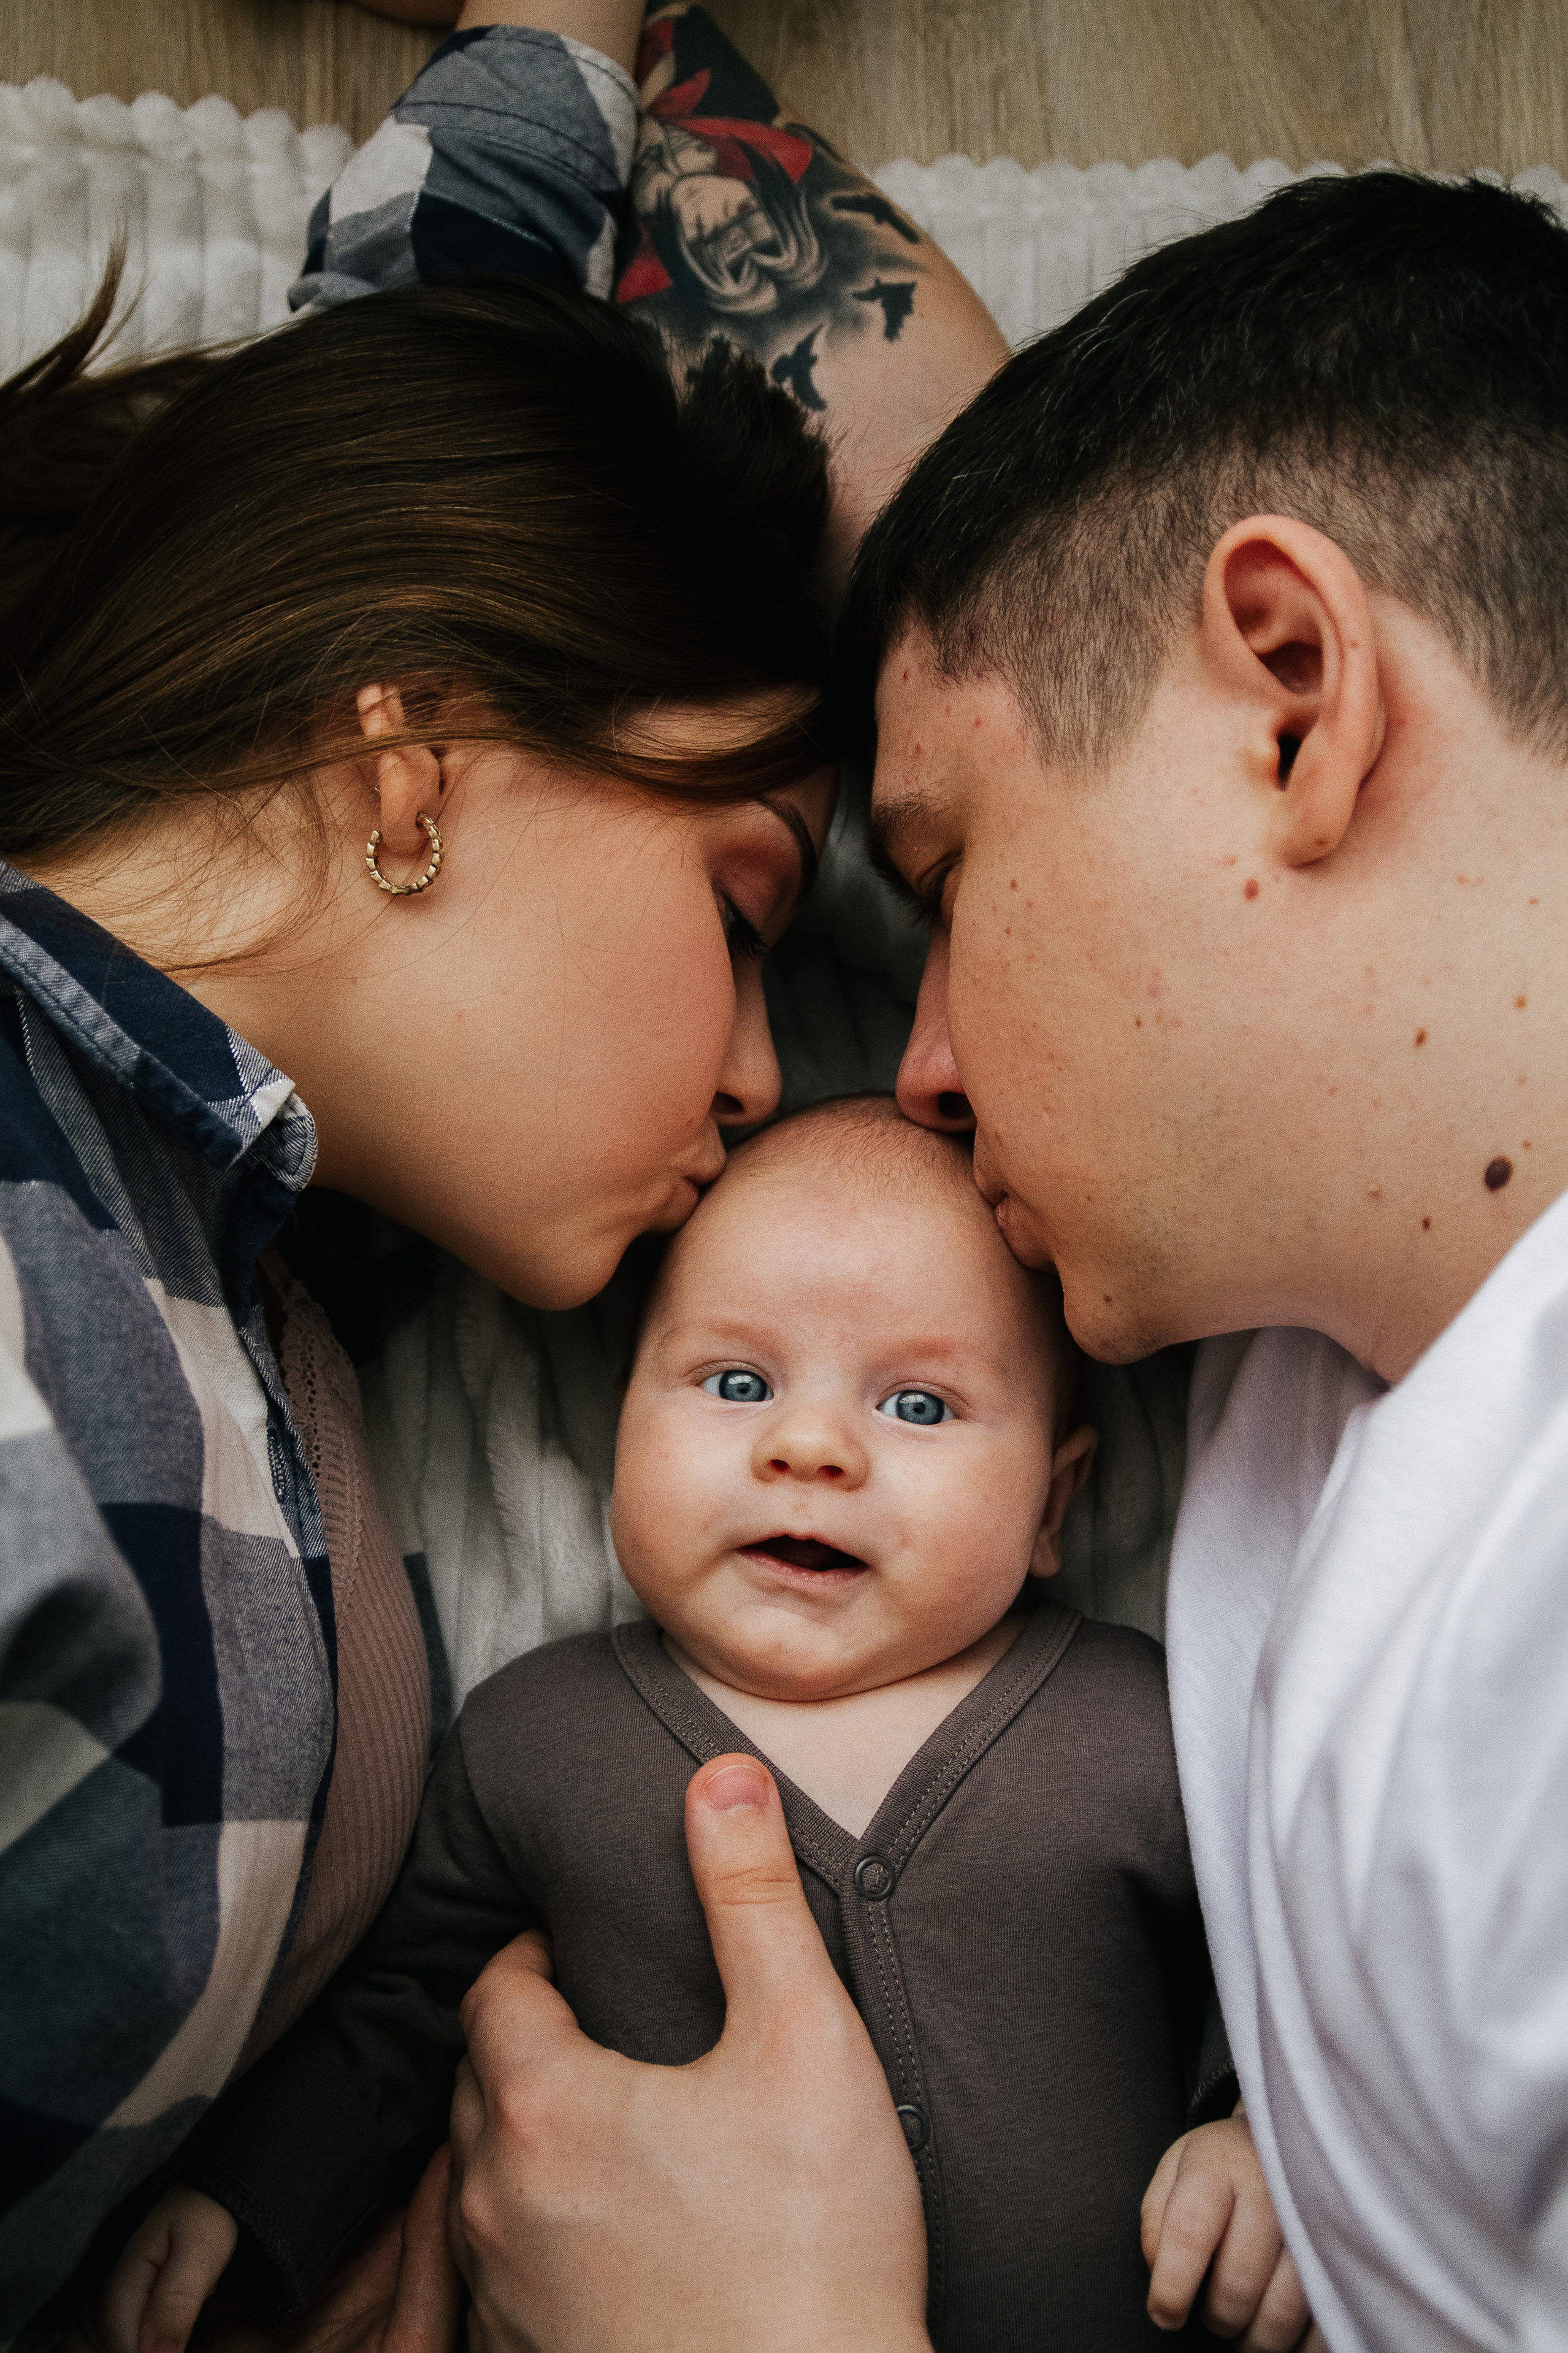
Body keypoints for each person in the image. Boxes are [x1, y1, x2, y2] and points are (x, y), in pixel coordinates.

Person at [410, 158, 1568, 2353]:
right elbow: (975, 493)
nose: (907, 1063)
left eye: (941, 873)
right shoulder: (1317, 1266)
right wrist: (564, 57)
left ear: (1297, 697)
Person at [1, 1, 1011, 2340]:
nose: (775, 1076)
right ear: (418, 755)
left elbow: (423, 399)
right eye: (748, 919)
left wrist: (559, 40)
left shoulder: (240, 1182)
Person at [98, 1098, 1308, 2353]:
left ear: (1053, 1503)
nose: (809, 1445)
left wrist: (1259, 2135)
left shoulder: (1135, 1724)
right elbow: (402, 2007)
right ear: (620, 1422)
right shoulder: (538, 1739)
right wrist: (255, 2194)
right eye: (737, 1382)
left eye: (917, 1405)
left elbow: (1292, 1971)